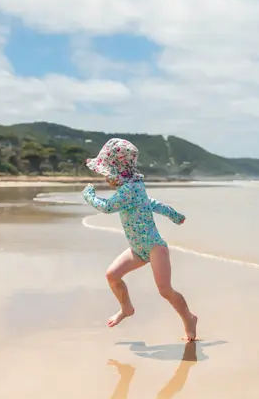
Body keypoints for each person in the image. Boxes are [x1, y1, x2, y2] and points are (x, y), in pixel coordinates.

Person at [82, 138, 197, 341]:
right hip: (137, 248)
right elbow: (151, 203)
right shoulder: (136, 186)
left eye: (108, 173)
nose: (106, 178)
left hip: (154, 247)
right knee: (112, 275)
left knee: (165, 290)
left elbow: (106, 207)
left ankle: (189, 319)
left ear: (118, 170)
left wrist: (89, 195)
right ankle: (126, 308)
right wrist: (173, 215)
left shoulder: (130, 190)